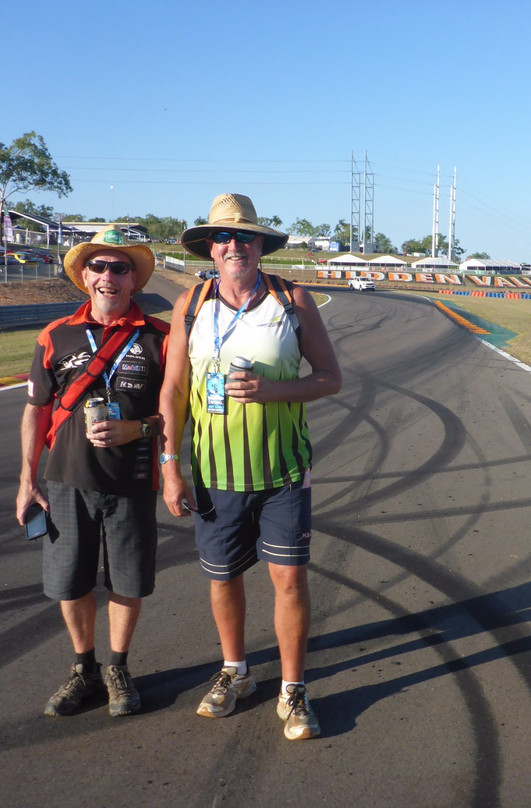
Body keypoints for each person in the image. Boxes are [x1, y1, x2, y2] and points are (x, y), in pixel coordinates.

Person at [158, 193, 341, 740]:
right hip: (214, 473)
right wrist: (170, 464)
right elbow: (172, 388)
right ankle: (235, 673)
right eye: (223, 237)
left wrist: (274, 391)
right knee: (223, 578)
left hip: (282, 470)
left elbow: (331, 377)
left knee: (288, 578)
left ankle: (293, 688)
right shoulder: (190, 305)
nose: (233, 245)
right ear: (210, 248)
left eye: (244, 236)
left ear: (261, 246)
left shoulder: (293, 299)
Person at [16, 226, 168, 718]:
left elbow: (176, 415)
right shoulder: (55, 335)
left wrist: (139, 430)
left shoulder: (161, 338)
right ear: (84, 276)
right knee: (71, 582)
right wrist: (26, 479)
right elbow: (36, 409)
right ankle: (84, 668)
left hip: (134, 481)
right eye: (99, 267)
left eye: (119, 268)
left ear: (133, 280)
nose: (108, 277)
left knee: (126, 581)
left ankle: (118, 668)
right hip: (65, 480)